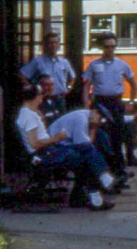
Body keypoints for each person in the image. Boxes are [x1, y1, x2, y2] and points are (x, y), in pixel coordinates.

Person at [15, 83, 116, 211]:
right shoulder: (28, 116)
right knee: (86, 156)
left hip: (49, 150)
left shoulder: (29, 113)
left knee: (86, 151)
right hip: (43, 155)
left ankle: (97, 189)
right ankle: (100, 183)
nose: (42, 97)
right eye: (40, 94)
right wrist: (56, 138)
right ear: (35, 97)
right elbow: (34, 144)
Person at [83, 33, 137, 174]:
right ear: (101, 47)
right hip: (100, 103)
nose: (110, 50)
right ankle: (103, 171)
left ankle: (119, 171)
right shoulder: (94, 65)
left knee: (117, 138)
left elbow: (133, 84)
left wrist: (131, 101)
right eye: (107, 47)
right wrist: (86, 108)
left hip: (116, 103)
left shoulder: (122, 64)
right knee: (101, 138)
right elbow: (86, 87)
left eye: (113, 47)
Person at [19, 32, 79, 102]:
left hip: (60, 98)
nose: (53, 45)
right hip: (42, 98)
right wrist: (32, 89)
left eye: (56, 42)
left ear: (59, 45)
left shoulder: (64, 62)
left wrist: (68, 88)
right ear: (45, 45)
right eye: (50, 43)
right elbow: (22, 74)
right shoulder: (37, 61)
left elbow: (73, 77)